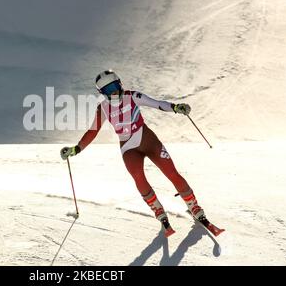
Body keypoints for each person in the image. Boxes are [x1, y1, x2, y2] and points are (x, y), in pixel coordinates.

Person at [60, 70, 224, 237]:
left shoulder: (132, 96)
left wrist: (176, 107)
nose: (114, 92)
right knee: (139, 177)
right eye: (109, 90)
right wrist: (77, 148)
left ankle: (194, 207)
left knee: (171, 173)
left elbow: (157, 104)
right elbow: (93, 131)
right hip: (128, 148)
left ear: (120, 84)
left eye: (115, 86)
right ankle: (158, 210)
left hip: (148, 140)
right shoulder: (103, 108)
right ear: (103, 93)